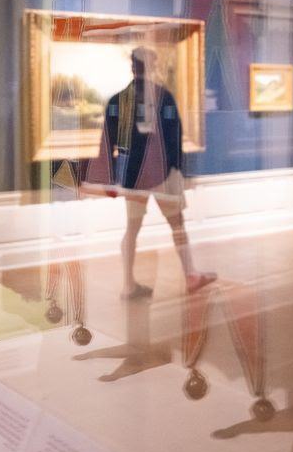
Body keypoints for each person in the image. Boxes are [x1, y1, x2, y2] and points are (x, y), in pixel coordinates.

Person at [83, 47, 215, 299]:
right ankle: (191, 276)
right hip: (164, 173)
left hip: (133, 177)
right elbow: (173, 138)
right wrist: (182, 171)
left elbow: (106, 143)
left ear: (133, 67)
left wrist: (110, 178)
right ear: (152, 66)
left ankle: (128, 285)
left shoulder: (117, 100)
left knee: (132, 229)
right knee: (177, 226)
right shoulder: (163, 97)